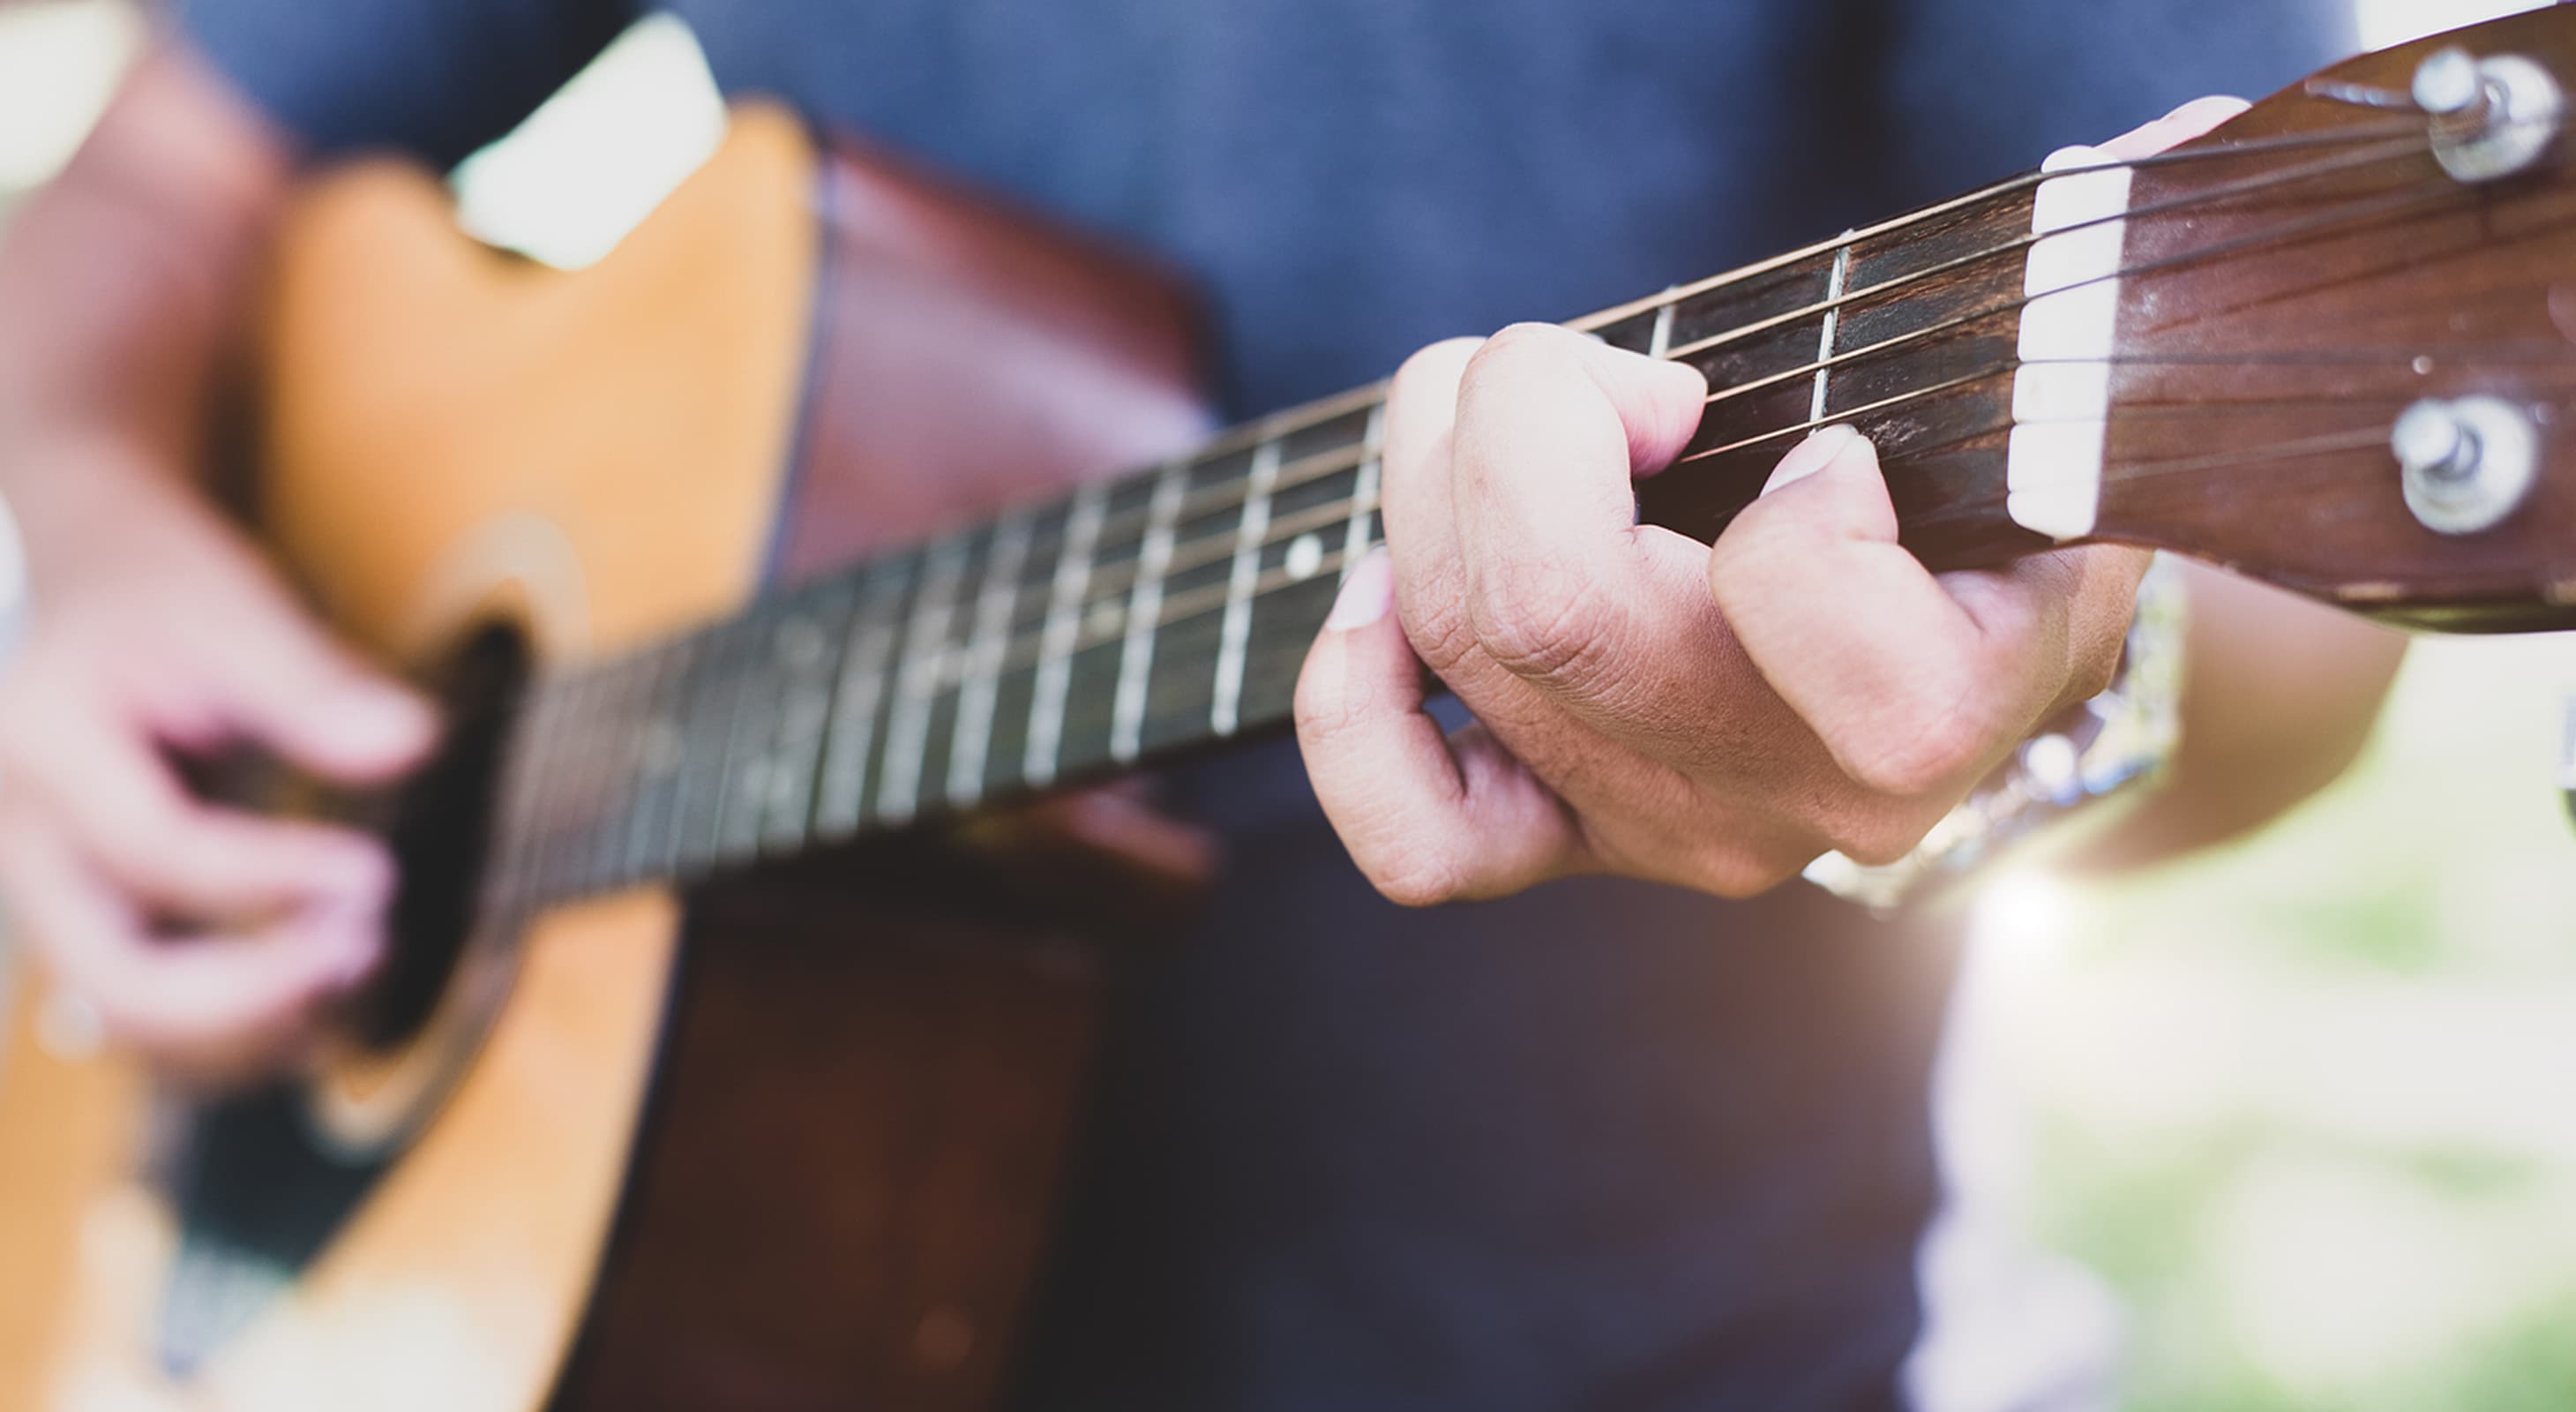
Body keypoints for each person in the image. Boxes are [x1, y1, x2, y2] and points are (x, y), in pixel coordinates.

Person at [0, 1, 2405, 1406]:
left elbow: (2297, 540)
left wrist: (2044, 696)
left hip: (1620, 1330)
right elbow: (152, 176)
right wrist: (95, 536)